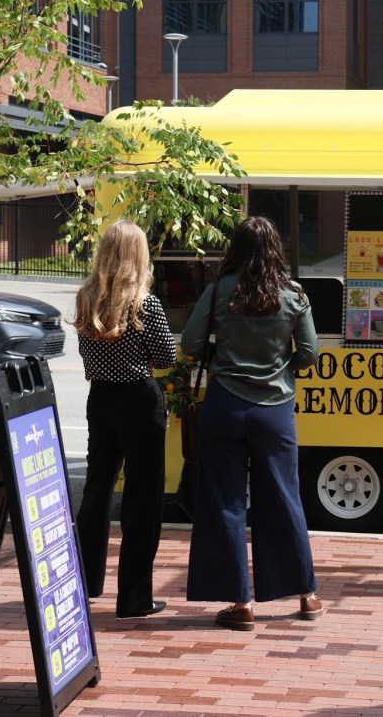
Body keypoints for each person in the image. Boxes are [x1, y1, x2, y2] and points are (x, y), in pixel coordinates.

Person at [182, 216, 321, 631]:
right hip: (275, 411)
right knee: (284, 497)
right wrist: (282, 368)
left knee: (224, 500)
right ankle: (306, 595)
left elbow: (190, 345)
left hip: (224, 405)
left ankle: (240, 603)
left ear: (237, 249)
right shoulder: (295, 294)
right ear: (276, 247)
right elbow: (310, 352)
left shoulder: (219, 290)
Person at [72, 219, 177, 619]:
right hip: (139, 400)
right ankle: (134, 598)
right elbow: (166, 358)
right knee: (142, 499)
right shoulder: (144, 303)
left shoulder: (86, 298)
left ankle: (85, 583)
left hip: (100, 400)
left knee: (97, 490)